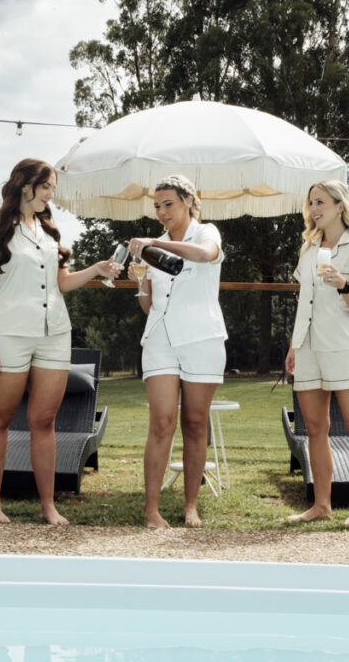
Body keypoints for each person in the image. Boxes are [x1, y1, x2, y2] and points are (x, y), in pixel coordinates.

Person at [0, 158, 120, 525]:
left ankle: (49, 506)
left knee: (45, 421)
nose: (52, 194)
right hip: (8, 334)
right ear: (26, 185)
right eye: (47, 187)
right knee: (0, 419)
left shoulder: (49, 232)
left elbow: (62, 283)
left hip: (54, 333)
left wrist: (96, 270)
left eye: (53, 188)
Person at [127, 174, 227, 529]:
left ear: (188, 201)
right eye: (157, 206)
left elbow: (205, 256)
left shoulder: (206, 233)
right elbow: (149, 305)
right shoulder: (152, 248)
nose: (162, 212)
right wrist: (140, 280)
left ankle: (190, 507)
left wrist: (155, 243)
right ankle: (151, 510)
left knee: (195, 423)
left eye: (168, 204)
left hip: (202, 338)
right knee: (162, 422)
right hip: (159, 338)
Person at [283, 179, 349, 526]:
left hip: (342, 345)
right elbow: (303, 303)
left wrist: (344, 285)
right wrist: (294, 345)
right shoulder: (308, 250)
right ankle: (321, 505)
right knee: (314, 428)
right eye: (311, 203)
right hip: (308, 345)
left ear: (341, 206)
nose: (314, 210)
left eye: (321, 202)